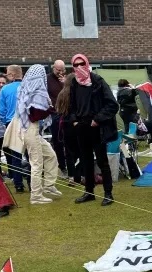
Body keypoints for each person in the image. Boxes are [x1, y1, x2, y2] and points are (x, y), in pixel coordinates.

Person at [67, 53, 119, 206]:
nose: (79, 68)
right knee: (85, 161)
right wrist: (75, 120)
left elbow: (112, 104)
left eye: (81, 64)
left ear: (87, 63)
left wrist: (98, 119)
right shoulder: (74, 84)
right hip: (81, 127)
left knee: (102, 161)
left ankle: (108, 193)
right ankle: (89, 192)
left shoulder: (98, 82)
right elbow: (70, 106)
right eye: (75, 65)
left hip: (97, 127)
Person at [17, 64, 62, 205]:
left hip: (29, 130)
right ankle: (36, 195)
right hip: (29, 129)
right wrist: (50, 109)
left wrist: (49, 108)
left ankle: (49, 185)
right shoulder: (35, 90)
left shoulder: (26, 88)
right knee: (37, 163)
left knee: (51, 155)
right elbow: (34, 115)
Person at [0, 65, 27, 192]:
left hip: (12, 123)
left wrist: (5, 122)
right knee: (31, 154)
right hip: (28, 122)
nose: (6, 76)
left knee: (15, 156)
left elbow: (2, 110)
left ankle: (18, 184)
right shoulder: (28, 87)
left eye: (8, 74)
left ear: (12, 75)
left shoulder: (5, 89)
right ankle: (34, 183)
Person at [55, 73, 82, 186]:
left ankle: (71, 177)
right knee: (81, 151)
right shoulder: (76, 93)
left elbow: (58, 110)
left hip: (65, 126)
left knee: (69, 153)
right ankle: (80, 175)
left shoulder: (61, 94)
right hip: (75, 124)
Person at [47, 59, 67, 178]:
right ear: (53, 68)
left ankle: (71, 166)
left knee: (69, 141)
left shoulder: (66, 80)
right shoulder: (47, 79)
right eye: (57, 69)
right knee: (57, 141)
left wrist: (66, 84)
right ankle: (62, 166)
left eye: (61, 70)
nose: (59, 72)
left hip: (66, 114)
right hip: (54, 114)